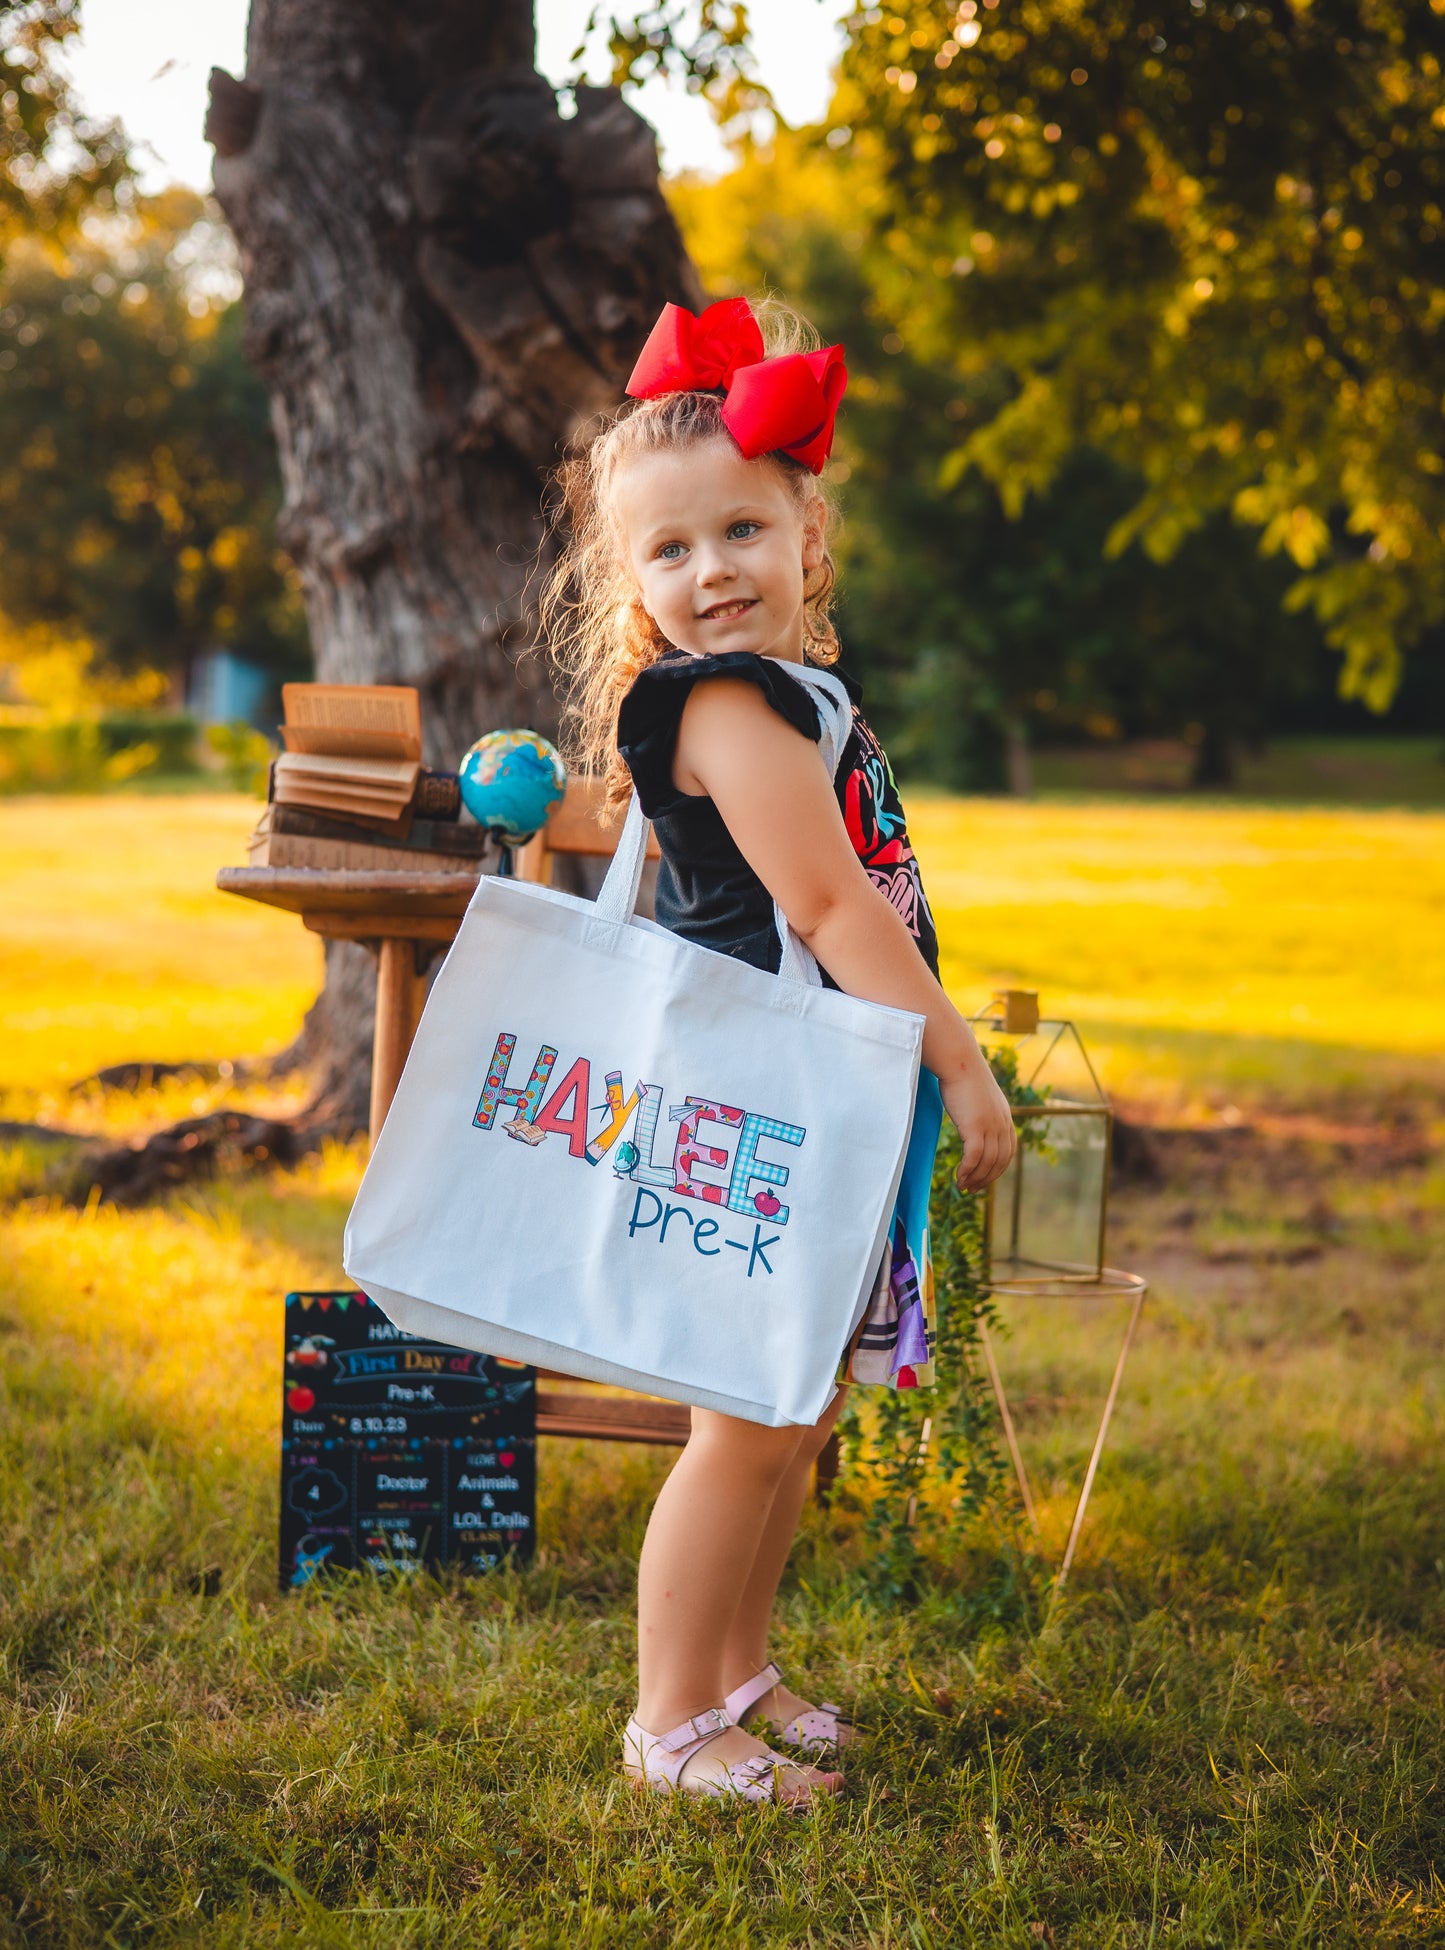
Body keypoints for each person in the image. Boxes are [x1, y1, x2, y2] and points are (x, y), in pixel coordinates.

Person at [542, 296, 1016, 1807]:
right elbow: (828, 902)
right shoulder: (724, 706)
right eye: (668, 552)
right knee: (743, 1419)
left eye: (739, 530)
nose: (708, 571)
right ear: (634, 579)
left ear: (808, 532)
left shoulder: (792, 694)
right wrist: (958, 1060)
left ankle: (739, 1668)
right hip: (753, 1100)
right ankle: (670, 1721)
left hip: (807, 1093)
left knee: (792, 1405)